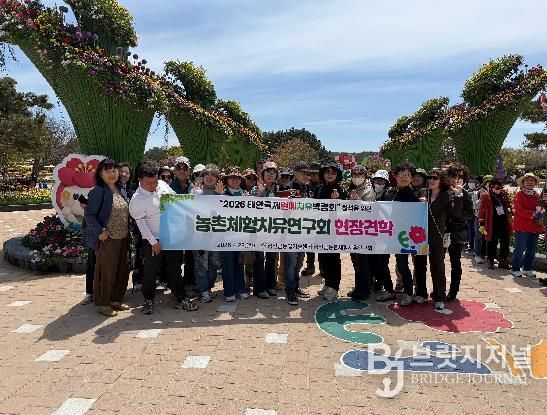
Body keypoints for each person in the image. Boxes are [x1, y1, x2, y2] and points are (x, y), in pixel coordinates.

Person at [129, 164, 198, 314]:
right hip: (152, 239)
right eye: (149, 183)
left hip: (172, 236)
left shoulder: (162, 184)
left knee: (174, 268)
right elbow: (141, 223)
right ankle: (148, 299)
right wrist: (153, 242)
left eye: (155, 181)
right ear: (140, 180)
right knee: (151, 270)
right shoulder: (137, 199)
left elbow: (176, 200)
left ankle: (180, 297)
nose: (154, 185)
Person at [83, 158, 130, 317]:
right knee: (106, 271)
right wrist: (100, 231)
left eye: (114, 170)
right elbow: (89, 214)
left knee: (121, 269)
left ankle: (116, 299)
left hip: (123, 236)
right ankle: (104, 303)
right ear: (100, 174)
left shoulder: (119, 189)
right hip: (108, 237)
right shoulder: (98, 191)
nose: (112, 174)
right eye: (107, 171)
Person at [419, 170, 463, 310]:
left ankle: (439, 297)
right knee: (419, 265)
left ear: (441, 180)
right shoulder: (423, 192)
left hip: (437, 236)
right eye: (429, 177)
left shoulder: (447, 195)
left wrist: (458, 195)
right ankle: (421, 293)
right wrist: (420, 203)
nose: (431, 180)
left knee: (437, 266)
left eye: (435, 178)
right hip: (419, 235)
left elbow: (455, 213)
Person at [382, 161, 420, 306]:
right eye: (401, 175)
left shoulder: (413, 196)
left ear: (411, 178)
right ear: (396, 176)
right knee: (382, 263)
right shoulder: (389, 192)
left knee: (402, 265)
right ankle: (388, 290)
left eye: (407, 175)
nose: (404, 178)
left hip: (404, 236)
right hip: (386, 233)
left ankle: (408, 293)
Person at [192, 164, 225, 302]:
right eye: (206, 174)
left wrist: (221, 196)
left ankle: (208, 288)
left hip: (215, 235)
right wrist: (196, 196)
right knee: (201, 263)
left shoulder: (221, 192)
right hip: (199, 234)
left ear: (217, 179)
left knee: (214, 262)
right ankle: (202, 290)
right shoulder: (195, 190)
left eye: (213, 175)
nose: (209, 177)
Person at [282, 161, 313, 305]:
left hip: (304, 231)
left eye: (307, 173)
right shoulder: (287, 187)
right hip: (290, 232)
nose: (305, 176)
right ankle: (290, 292)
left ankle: (295, 287)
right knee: (291, 263)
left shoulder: (309, 188)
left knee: (299, 262)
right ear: (295, 173)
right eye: (302, 173)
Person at [316, 163, 347, 301]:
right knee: (323, 258)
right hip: (321, 228)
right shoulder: (320, 188)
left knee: (333, 258)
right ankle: (328, 283)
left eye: (333, 172)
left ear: (337, 175)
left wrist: (337, 201)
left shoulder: (340, 190)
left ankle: (334, 287)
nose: (330, 175)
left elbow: (345, 211)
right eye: (327, 172)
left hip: (334, 230)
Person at [251, 161, 280, 299]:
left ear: (276, 176)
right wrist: (259, 194)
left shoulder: (280, 189)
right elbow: (249, 206)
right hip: (259, 228)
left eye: (273, 172)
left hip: (274, 229)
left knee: (272, 258)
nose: (270, 175)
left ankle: (271, 285)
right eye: (267, 172)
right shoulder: (256, 188)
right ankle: (259, 288)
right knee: (259, 258)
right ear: (262, 174)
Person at [445, 164, 473, 301]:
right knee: (437, 262)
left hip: (456, 232)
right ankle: (438, 290)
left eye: (460, 176)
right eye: (453, 175)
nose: (456, 178)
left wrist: (459, 197)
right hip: (441, 231)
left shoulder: (465, 194)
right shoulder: (442, 191)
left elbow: (469, 214)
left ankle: (453, 291)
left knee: (455, 263)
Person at [221, 166, 249, 302]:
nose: (234, 180)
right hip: (225, 234)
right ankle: (229, 291)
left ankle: (241, 289)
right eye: (231, 178)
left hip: (241, 233)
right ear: (226, 180)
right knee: (227, 263)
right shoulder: (222, 194)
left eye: (237, 178)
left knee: (239, 262)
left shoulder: (245, 195)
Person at [346, 165, 374, 300]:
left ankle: (364, 290)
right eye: (354, 174)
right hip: (353, 230)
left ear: (365, 176)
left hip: (363, 232)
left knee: (363, 263)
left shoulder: (368, 190)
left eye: (360, 174)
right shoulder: (353, 188)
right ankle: (358, 287)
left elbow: (370, 210)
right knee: (356, 262)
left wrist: (357, 203)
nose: (357, 177)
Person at [170, 156, 196, 296]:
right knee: (175, 260)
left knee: (191, 259)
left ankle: (189, 284)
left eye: (185, 167)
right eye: (178, 167)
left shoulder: (196, 187)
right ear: (174, 171)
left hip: (192, 229)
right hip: (174, 230)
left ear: (189, 171)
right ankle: (176, 289)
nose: (182, 170)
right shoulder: (167, 188)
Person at [511, 173, 544, 278]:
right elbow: (519, 209)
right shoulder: (519, 195)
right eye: (527, 180)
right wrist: (533, 214)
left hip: (535, 226)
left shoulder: (538, 195)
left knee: (531, 249)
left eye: (532, 180)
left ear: (535, 183)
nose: (529, 182)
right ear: (523, 183)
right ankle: (515, 268)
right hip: (522, 226)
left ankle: (527, 268)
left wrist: (542, 213)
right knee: (520, 248)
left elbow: (542, 207)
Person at [478, 178, 512, 270]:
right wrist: (481, 224)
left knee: (505, 241)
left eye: (500, 187)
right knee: (492, 242)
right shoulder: (486, 195)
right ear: (491, 187)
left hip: (503, 221)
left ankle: (503, 260)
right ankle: (491, 260)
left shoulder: (504, 194)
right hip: (492, 222)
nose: (499, 189)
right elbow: (481, 210)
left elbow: (508, 204)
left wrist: (510, 210)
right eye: (497, 188)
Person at [302, 162, 322, 277]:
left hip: (321, 219)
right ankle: (310, 266)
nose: (314, 176)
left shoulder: (323, 186)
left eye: (316, 174)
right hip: (308, 218)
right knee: (309, 244)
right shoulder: (306, 186)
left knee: (321, 244)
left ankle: (323, 268)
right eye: (312, 174)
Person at [474, 175, 492, 264]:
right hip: (480, 218)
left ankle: (486, 255)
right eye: (488, 182)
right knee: (479, 236)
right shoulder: (478, 193)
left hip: (489, 219)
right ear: (484, 183)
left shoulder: (494, 193)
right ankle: (477, 255)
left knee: (488, 237)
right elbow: (475, 206)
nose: (489, 184)